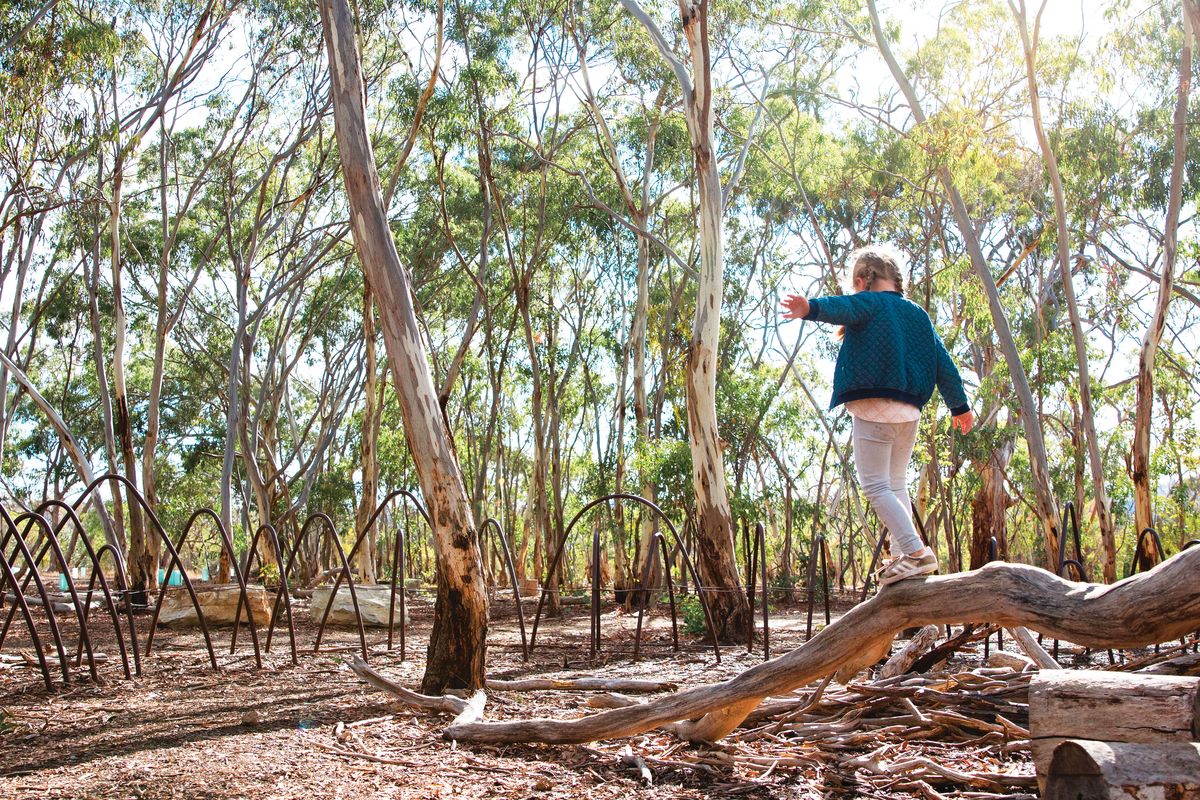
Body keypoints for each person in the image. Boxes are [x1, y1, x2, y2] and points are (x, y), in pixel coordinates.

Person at [781, 245, 973, 586]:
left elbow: (843, 307)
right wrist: (959, 406)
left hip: (874, 405)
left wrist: (810, 308)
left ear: (862, 280)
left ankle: (915, 551)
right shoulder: (918, 314)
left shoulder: (870, 301)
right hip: (909, 410)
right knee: (896, 483)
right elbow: (944, 363)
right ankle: (904, 556)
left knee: (874, 485)